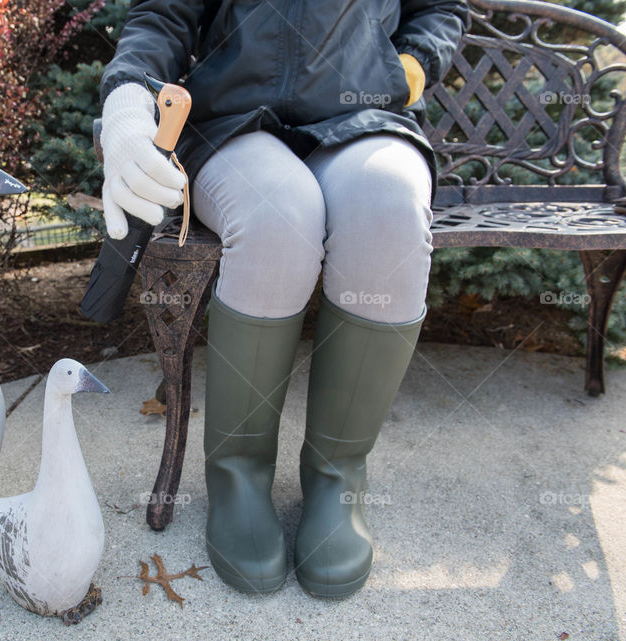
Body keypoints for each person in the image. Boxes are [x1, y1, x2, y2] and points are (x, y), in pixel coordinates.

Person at [98, 0, 469, 598]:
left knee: (390, 212)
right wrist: (126, 99)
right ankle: (238, 476)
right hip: (232, 121)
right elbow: (163, 15)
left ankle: (336, 478)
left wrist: (409, 67)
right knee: (278, 219)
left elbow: (440, 8)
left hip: (365, 116)